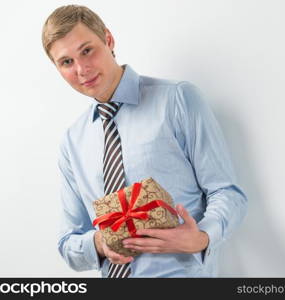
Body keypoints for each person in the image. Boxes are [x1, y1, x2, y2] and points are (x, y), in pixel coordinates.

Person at [42, 4, 247, 277]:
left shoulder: (177, 100)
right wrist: (99, 243)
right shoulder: (72, 142)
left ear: (109, 39)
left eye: (87, 50)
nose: (82, 69)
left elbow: (227, 193)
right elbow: (68, 240)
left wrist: (202, 237)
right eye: (66, 62)